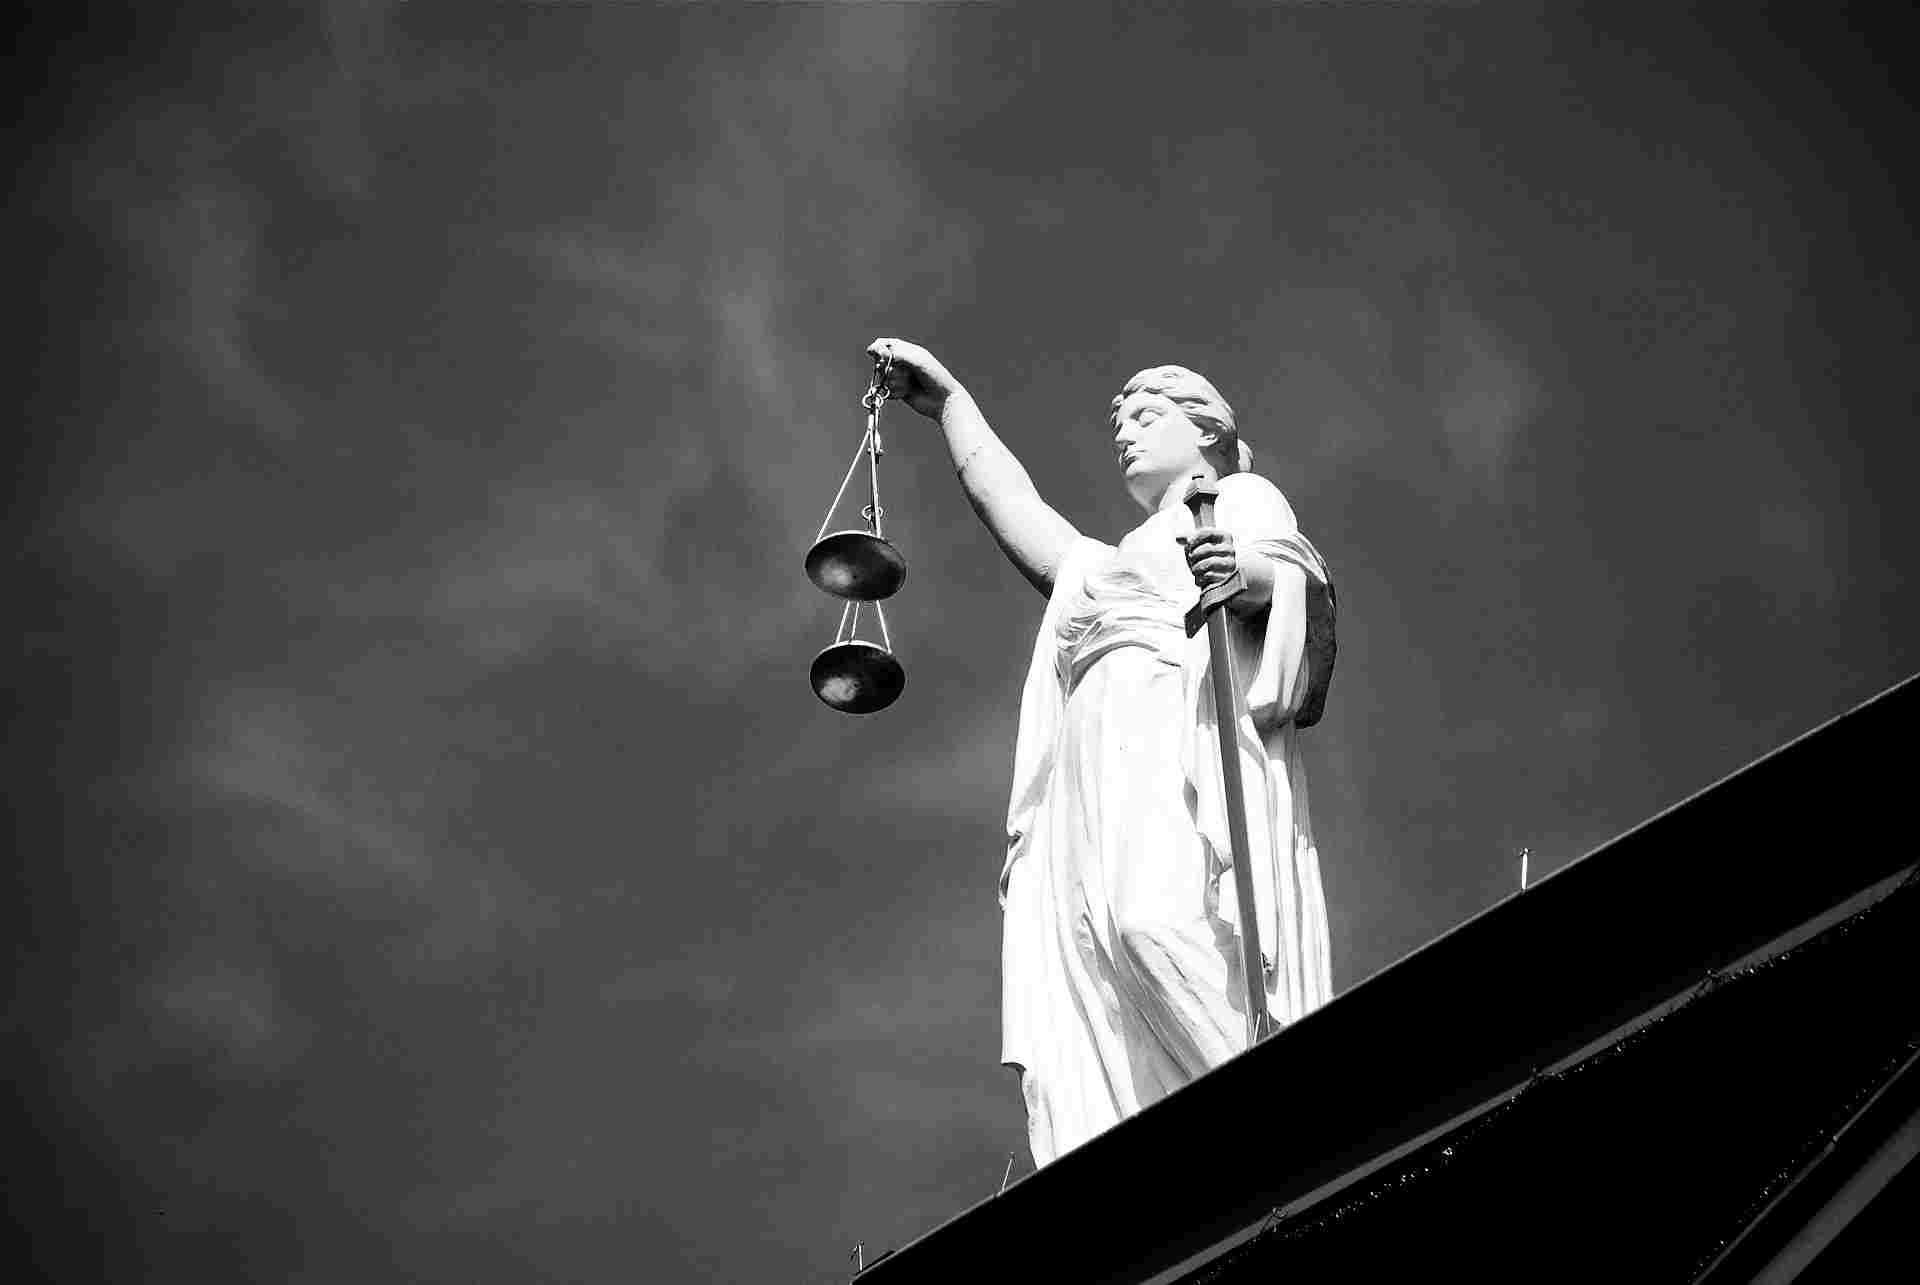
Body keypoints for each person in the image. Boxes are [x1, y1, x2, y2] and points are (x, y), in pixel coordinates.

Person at [868, 338, 1336, 1165]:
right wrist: (949, 405)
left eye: (1148, 416)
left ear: (1207, 429)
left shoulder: (1233, 498)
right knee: (1098, 962)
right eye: (1121, 423)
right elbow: (1016, 507)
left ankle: (1284, 1123)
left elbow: (1296, 577)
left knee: (1153, 923)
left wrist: (1242, 568)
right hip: (1088, 771)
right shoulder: (1103, 563)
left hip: (1169, 734)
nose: (1126, 433)